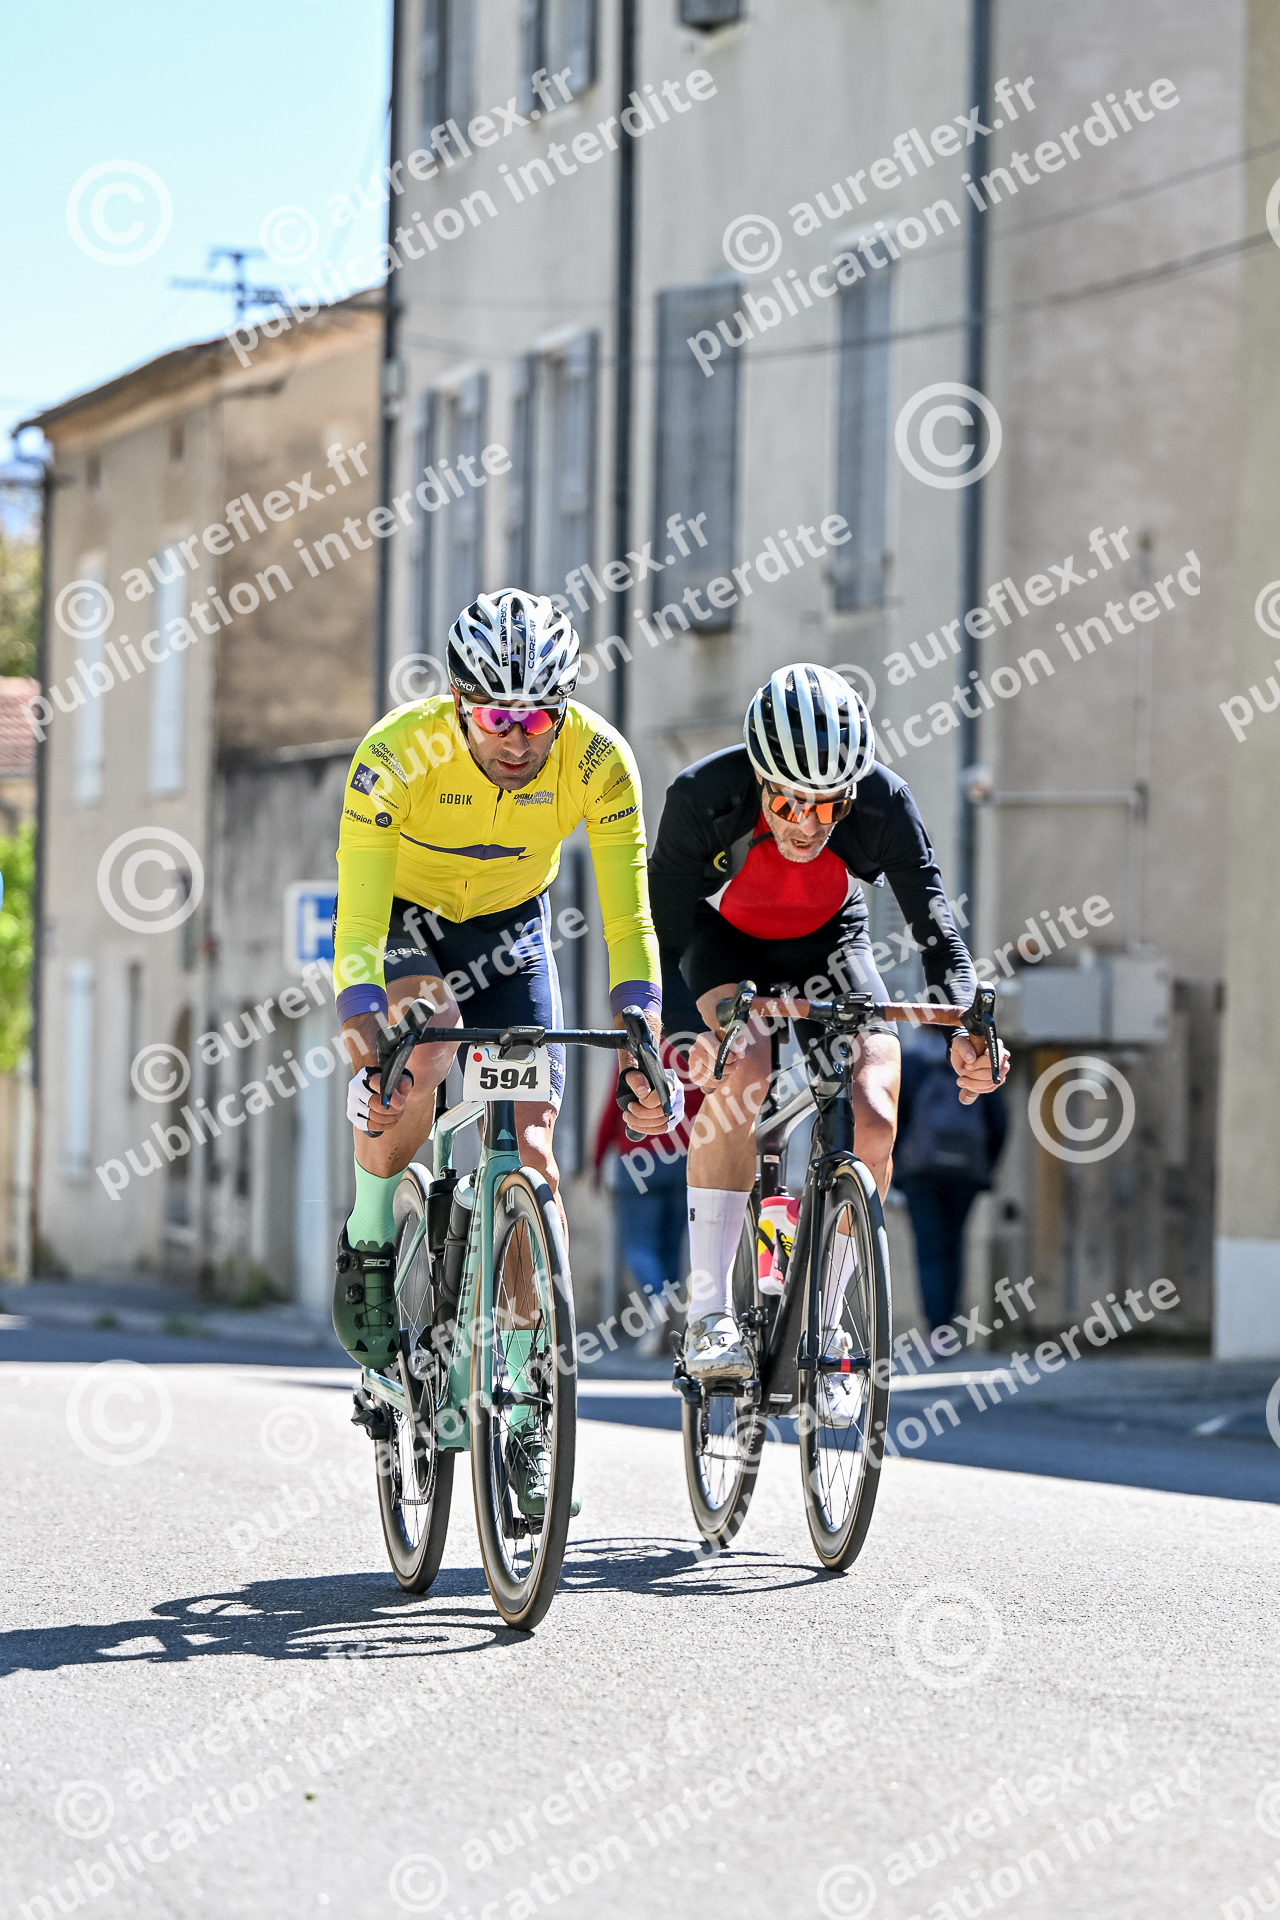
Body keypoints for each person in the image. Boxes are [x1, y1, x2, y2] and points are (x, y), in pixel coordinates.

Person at [330, 589, 679, 1513]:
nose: (519, 740)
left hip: (511, 929)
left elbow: (629, 919)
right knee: (425, 1047)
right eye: (496, 719)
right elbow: (357, 927)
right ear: (458, 705)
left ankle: (524, 1400)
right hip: (407, 920)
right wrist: (369, 1051)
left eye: (537, 719)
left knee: (532, 1157)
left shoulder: (598, 759)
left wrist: (643, 1036)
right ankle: (371, 1238)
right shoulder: (396, 753)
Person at [647, 661, 1008, 1393]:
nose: (807, 824)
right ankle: (710, 1314)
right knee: (743, 1068)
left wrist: (967, 1027)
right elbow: (663, 927)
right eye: (788, 802)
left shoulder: (884, 801)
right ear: (759, 778)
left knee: (875, 1104)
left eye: (829, 805)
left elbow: (936, 927)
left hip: (832, 945)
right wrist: (687, 1034)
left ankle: (831, 1319)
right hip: (725, 946)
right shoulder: (701, 796)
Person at [592, 1041, 704, 1358]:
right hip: (684, 1159)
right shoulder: (693, 1049)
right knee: (672, 1247)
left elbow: (612, 1110)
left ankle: (658, 1300)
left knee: (638, 1244)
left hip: (638, 1161)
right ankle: (668, 1325)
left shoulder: (636, 1052)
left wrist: (597, 1163)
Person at [894, 1022, 1007, 1332]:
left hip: (919, 1174)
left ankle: (936, 1329)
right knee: (954, 1244)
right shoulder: (976, 1065)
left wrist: (899, 1166)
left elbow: (892, 1120)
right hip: (965, 1174)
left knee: (928, 1246)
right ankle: (948, 1327)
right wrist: (985, 1167)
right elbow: (999, 1123)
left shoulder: (909, 1065)